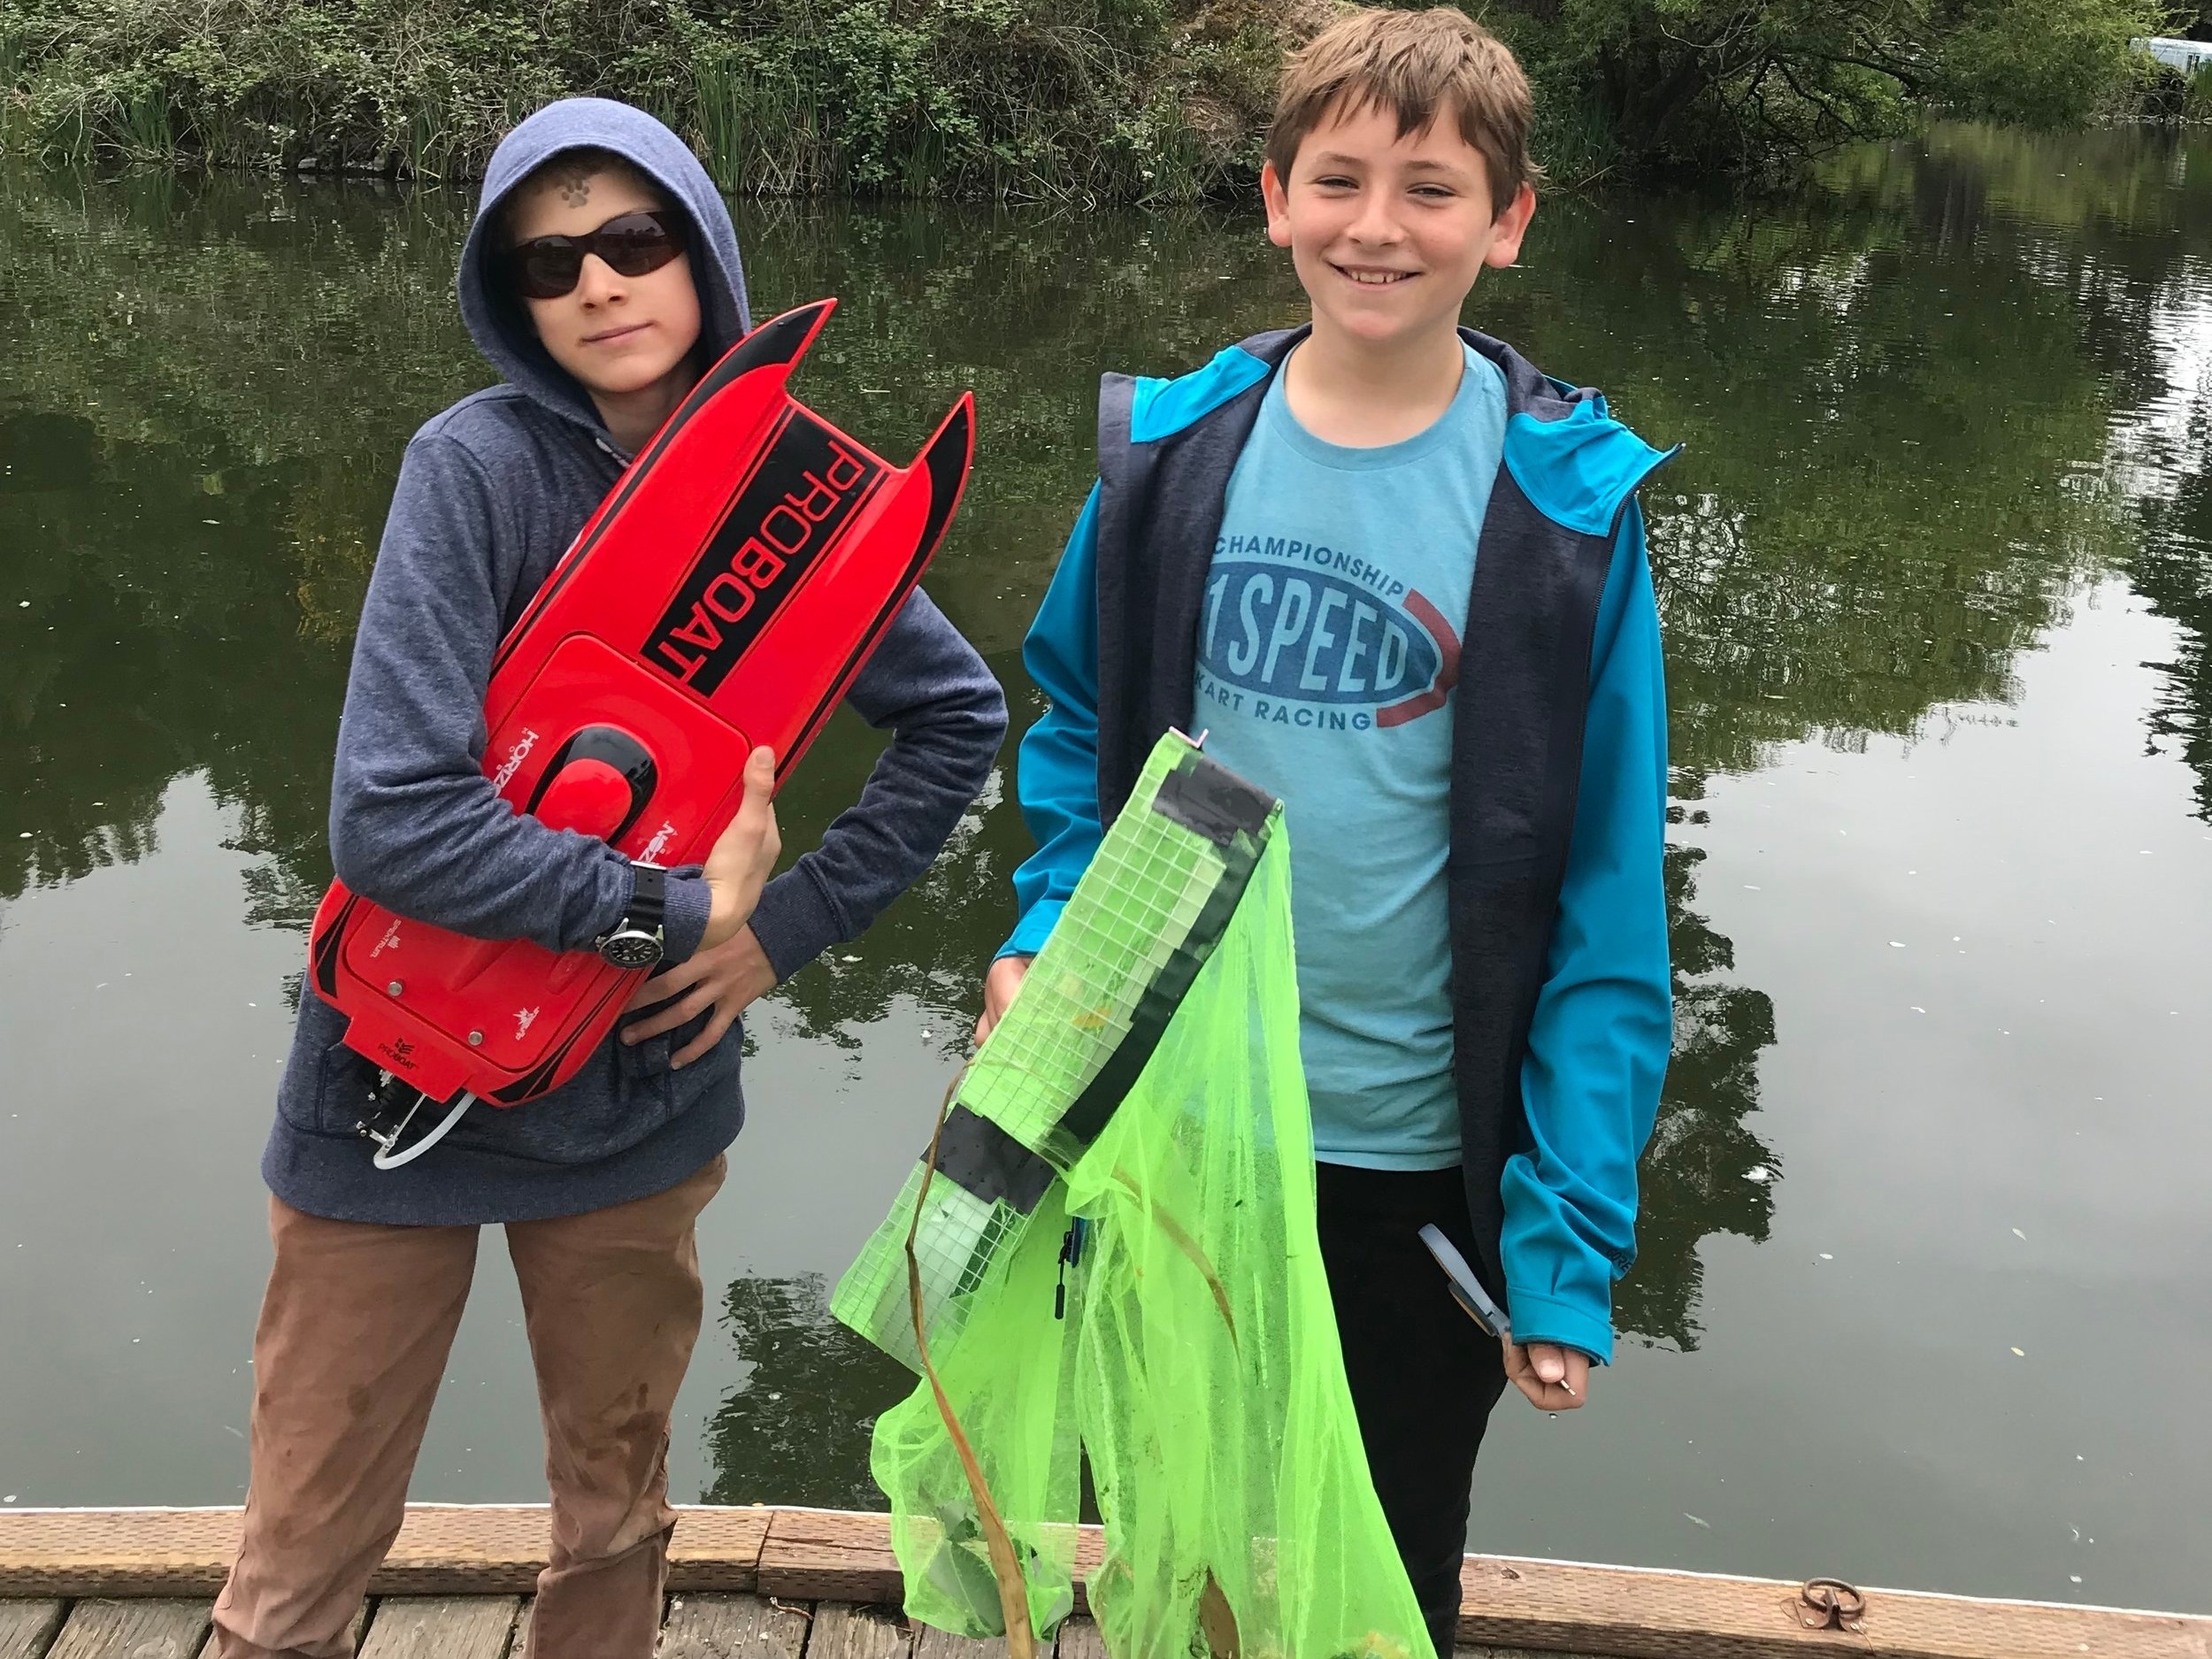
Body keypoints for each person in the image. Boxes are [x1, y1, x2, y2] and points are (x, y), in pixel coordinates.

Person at [213, 99, 1008, 1659]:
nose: (595, 282)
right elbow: (390, 817)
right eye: (546, 262)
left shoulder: (804, 506)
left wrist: (780, 934)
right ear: (512, 304)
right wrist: (663, 911)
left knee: (614, 1503)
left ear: (702, 254)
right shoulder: (475, 469)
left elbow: (960, 718)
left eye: (632, 239)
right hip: (388, 1081)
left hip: (636, 1089)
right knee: (307, 1530)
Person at [974, 10, 1671, 1650]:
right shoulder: (1167, 460)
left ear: (1507, 222)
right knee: (1167, 1522)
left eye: (1430, 189)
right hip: (1179, 1132)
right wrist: (1042, 924)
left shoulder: (1567, 514)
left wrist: (1564, 1243)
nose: (1376, 225)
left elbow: (1606, 900)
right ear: (1275, 196)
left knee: (1382, 1562)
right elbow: (1078, 727)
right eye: (1339, 179)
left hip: (1412, 1161)